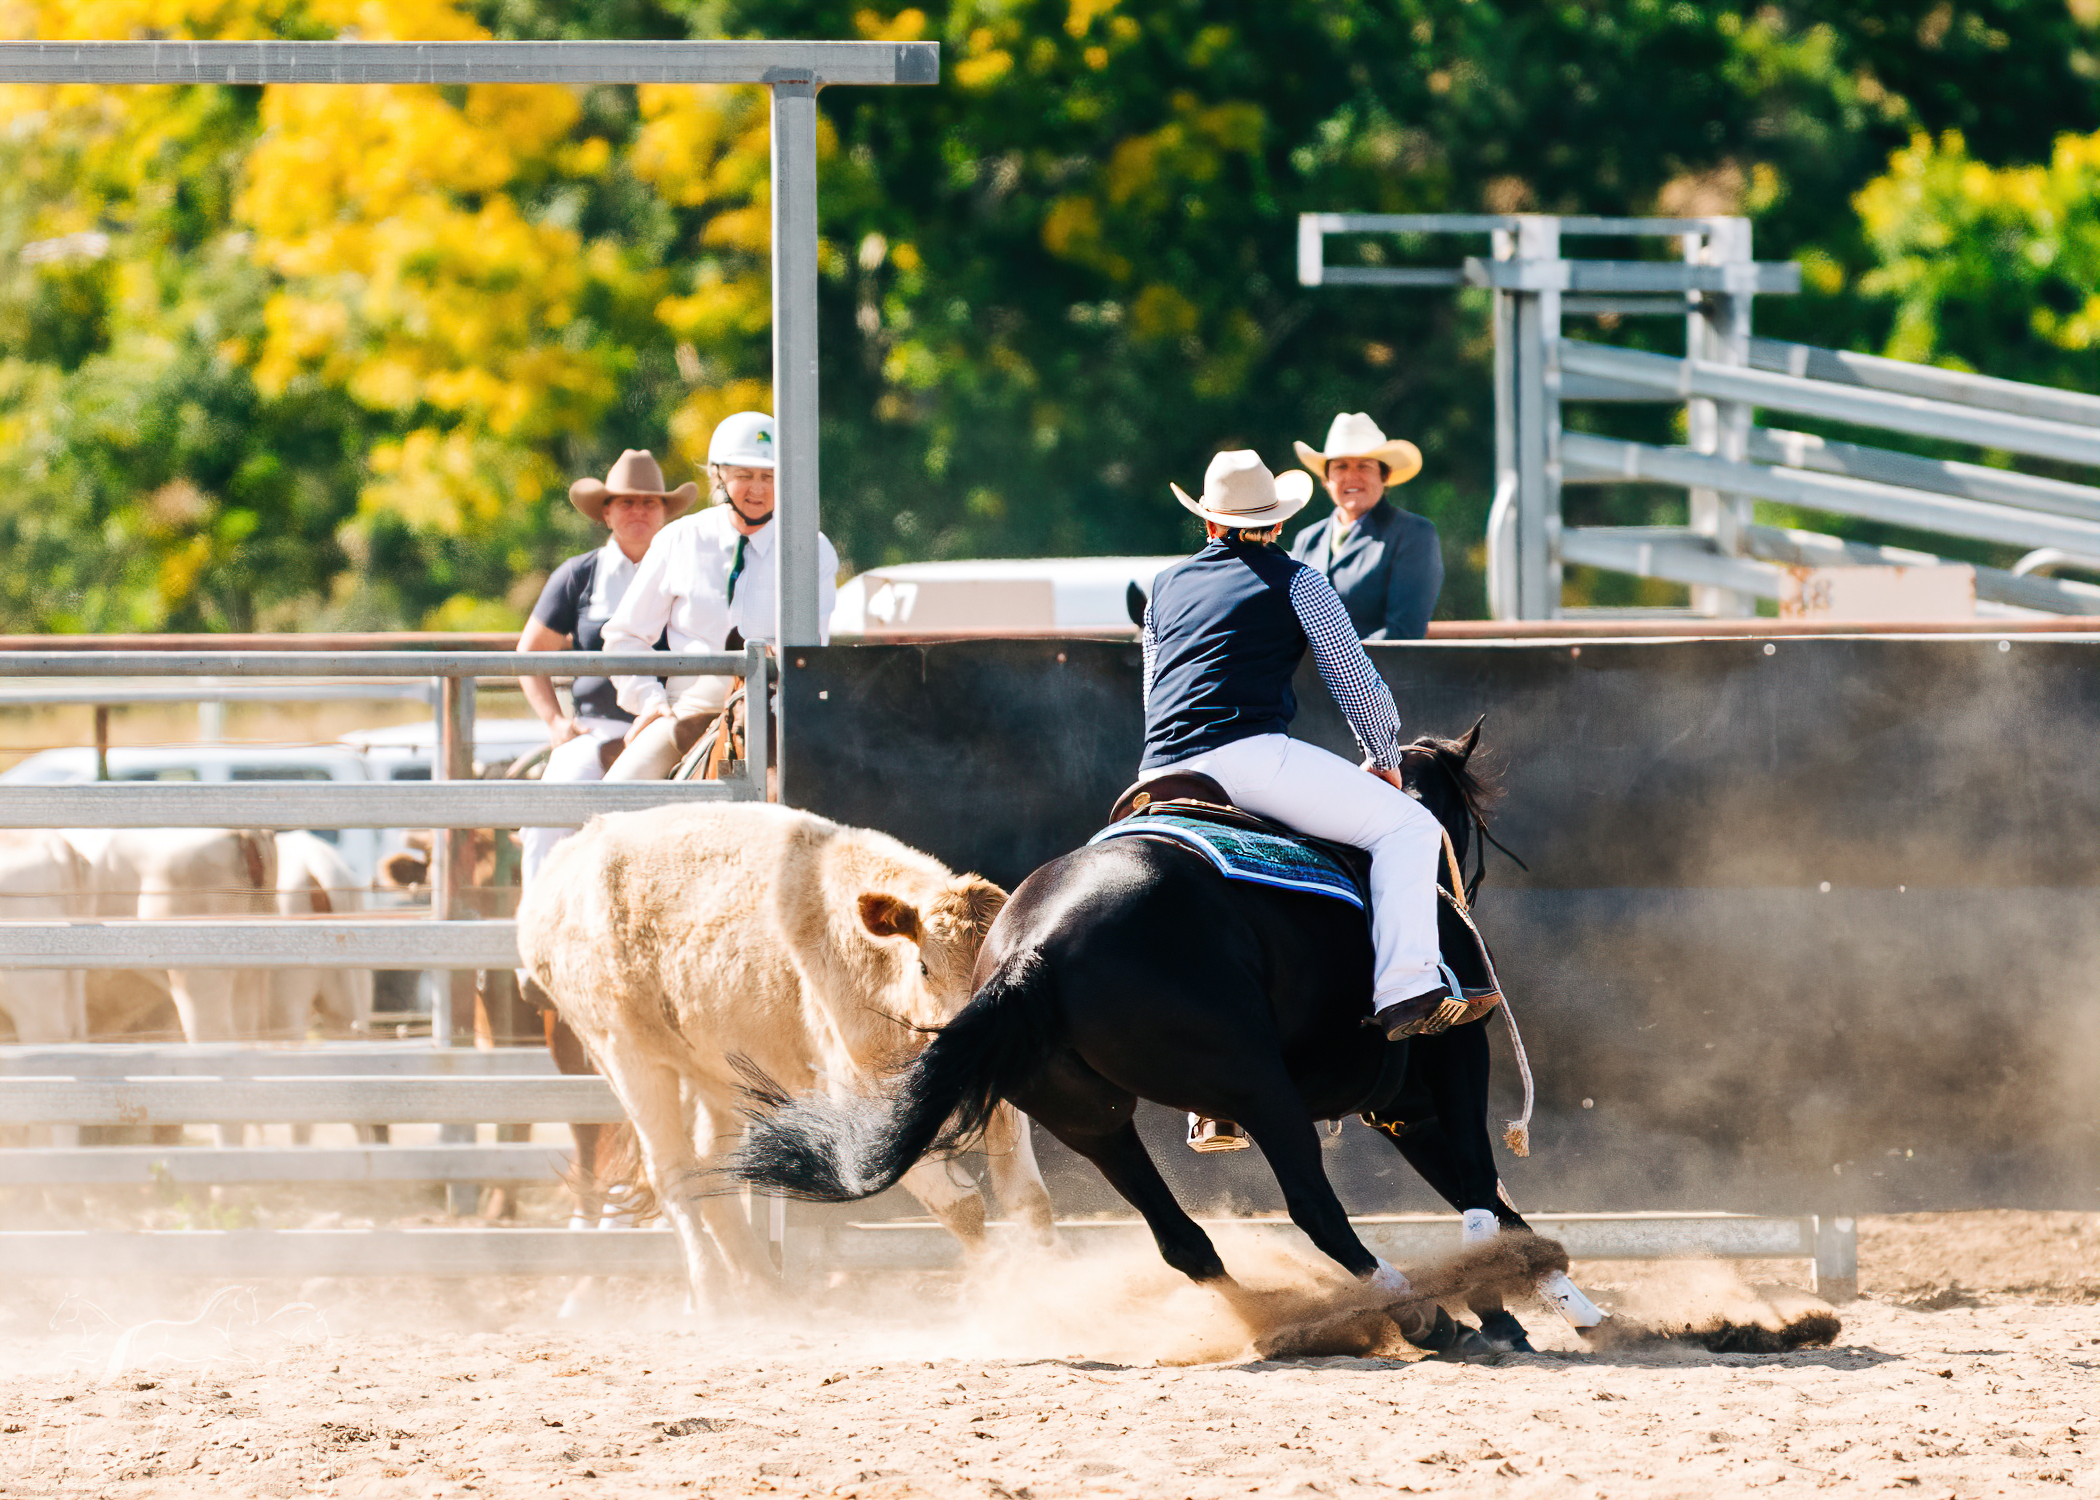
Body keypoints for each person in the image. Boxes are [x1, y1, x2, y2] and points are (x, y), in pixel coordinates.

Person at [1139, 449, 1481, 1044]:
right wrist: (1383, 759)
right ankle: (1407, 990)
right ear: (1277, 523)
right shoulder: (1299, 579)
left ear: (1209, 522)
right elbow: (1356, 683)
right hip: (1247, 758)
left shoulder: (1162, 588)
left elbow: (1153, 694)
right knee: (1410, 829)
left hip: (1155, 773)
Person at [600, 411, 837, 780]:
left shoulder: (813, 548)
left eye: (769, 477)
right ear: (718, 476)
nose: (757, 489)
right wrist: (651, 701)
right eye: (744, 475)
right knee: (618, 790)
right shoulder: (678, 539)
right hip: (692, 705)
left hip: (783, 704)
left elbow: (813, 646)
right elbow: (624, 637)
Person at [515, 450, 692, 882]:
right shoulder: (580, 575)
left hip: (678, 724)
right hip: (598, 728)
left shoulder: (691, 573)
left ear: (664, 513)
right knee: (547, 820)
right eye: (626, 502)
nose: (638, 511)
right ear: (606, 513)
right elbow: (531, 653)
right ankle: (538, 911)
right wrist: (555, 722)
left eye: (649, 502)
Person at [1288, 412, 1443, 640]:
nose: (1352, 476)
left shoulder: (1413, 534)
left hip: (1378, 665)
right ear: (1326, 479)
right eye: (1341, 467)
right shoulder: (1308, 539)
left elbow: (1404, 630)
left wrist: (1342, 660)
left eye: (1364, 466)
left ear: (1384, 475)